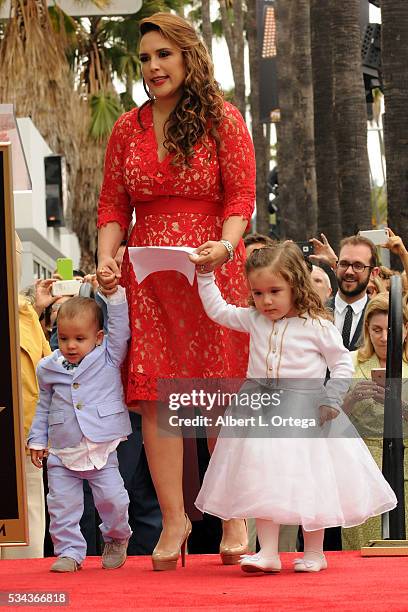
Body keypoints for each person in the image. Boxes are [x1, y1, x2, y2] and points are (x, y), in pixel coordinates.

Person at [96, 12, 255, 570]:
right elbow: (114, 206)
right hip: (148, 276)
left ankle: (233, 515)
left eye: (163, 54)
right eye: (144, 58)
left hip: (211, 270)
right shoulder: (127, 128)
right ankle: (173, 519)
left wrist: (226, 247)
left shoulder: (223, 119)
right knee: (158, 398)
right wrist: (106, 259)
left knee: (216, 396)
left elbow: (240, 199)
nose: (152, 67)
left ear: (189, 56)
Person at [195, 243, 397, 574]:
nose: (267, 301)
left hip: (308, 412)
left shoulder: (315, 325)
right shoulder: (254, 320)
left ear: (296, 286)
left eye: (275, 291)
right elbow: (218, 310)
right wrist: (205, 275)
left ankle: (315, 552)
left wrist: (331, 397)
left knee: (310, 480)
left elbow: (342, 362)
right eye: (258, 293)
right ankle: (269, 552)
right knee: (263, 477)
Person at [27, 289, 132, 572]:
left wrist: (116, 296)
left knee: (113, 500)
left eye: (79, 339)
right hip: (63, 447)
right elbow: (43, 404)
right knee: (61, 506)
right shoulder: (48, 367)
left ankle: (116, 536)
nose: (70, 345)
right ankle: (70, 551)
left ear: (98, 338)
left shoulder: (108, 356)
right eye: (63, 338)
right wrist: (37, 439)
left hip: (100, 445)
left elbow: (120, 329)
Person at [342, 293, 408, 549]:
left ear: (405, 330)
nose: (383, 337)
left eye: (390, 330)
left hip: (403, 460)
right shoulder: (348, 362)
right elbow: (327, 420)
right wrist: (350, 401)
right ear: (367, 329)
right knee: (360, 542)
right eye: (376, 330)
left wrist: (399, 407)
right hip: (361, 460)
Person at [0, 235, 52, 560]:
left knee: (29, 511)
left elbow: (46, 370)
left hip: (25, 434)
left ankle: (25, 596)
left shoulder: (24, 312)